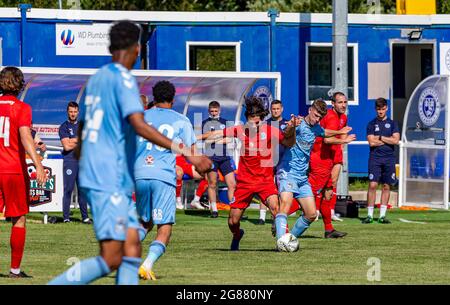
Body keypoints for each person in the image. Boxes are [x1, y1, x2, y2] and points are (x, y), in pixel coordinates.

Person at [49, 20, 211, 285]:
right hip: (109, 177)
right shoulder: (122, 81)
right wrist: (186, 152)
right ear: (135, 48)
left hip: (101, 172)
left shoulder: (97, 80)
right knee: (121, 252)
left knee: (121, 253)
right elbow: (138, 126)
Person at [202, 96, 297, 251]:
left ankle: (283, 240)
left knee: (276, 209)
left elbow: (289, 142)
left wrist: (292, 129)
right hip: (245, 184)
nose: (255, 123)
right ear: (247, 119)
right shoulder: (239, 130)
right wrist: (195, 138)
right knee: (233, 221)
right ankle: (237, 234)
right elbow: (217, 134)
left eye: (258, 120)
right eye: (252, 120)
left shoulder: (270, 130)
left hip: (265, 182)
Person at [135, 80, 208, 280]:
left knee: (144, 223)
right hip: (163, 176)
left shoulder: (141, 117)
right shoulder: (181, 120)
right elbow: (192, 153)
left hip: (140, 174)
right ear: (173, 99)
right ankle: (146, 265)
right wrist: (201, 165)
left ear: (153, 98)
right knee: (164, 228)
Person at [274, 99, 355, 244]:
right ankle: (281, 239)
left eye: (319, 117)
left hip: (302, 176)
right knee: (285, 205)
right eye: (316, 115)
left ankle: (288, 239)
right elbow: (285, 135)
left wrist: (340, 132)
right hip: (288, 172)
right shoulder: (298, 123)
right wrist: (291, 126)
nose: (317, 119)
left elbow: (324, 133)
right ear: (310, 110)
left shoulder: (315, 128)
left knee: (311, 214)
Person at [0, 66, 47, 278]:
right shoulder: (22, 108)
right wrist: (38, 164)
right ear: (20, 85)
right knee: (18, 218)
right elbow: (26, 138)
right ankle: (15, 271)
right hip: (13, 170)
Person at [308, 92, 351, 238]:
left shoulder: (343, 117)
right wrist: (344, 141)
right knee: (310, 192)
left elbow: (340, 134)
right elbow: (327, 140)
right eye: (340, 102)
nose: (343, 105)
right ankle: (281, 218)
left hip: (332, 157)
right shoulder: (331, 117)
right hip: (321, 157)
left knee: (328, 191)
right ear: (333, 104)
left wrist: (341, 144)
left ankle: (329, 229)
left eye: (345, 102)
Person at [362, 97, 400, 224]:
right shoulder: (371, 124)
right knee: (372, 185)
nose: (381, 111)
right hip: (375, 158)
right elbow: (371, 143)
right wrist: (386, 140)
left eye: (383, 109)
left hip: (389, 158)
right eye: (378, 109)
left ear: (387, 108)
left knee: (386, 185)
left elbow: (395, 140)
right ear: (375, 109)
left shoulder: (393, 124)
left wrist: (380, 137)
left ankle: (382, 216)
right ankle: (369, 215)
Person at [197, 101, 236, 218]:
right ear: (209, 111)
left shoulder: (226, 122)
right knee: (212, 183)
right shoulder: (205, 123)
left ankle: (234, 210)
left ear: (219, 110)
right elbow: (206, 140)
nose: (214, 113)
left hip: (225, 157)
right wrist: (217, 137)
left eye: (216, 111)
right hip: (211, 157)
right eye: (212, 111)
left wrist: (214, 137)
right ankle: (214, 209)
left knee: (232, 184)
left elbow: (229, 140)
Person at [59, 101, 91, 224]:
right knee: (68, 189)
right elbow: (66, 147)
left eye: (75, 111)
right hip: (70, 160)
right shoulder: (64, 127)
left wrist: (72, 140)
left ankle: (85, 217)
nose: (73, 114)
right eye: (70, 111)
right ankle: (66, 218)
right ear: (67, 112)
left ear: (78, 112)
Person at [258, 99, 289, 225]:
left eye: (278, 109)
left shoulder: (287, 124)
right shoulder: (265, 124)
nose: (275, 111)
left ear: (281, 109)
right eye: (273, 109)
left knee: (281, 190)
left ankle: (278, 216)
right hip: (268, 160)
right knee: (265, 187)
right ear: (271, 110)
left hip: (282, 161)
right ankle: (262, 217)